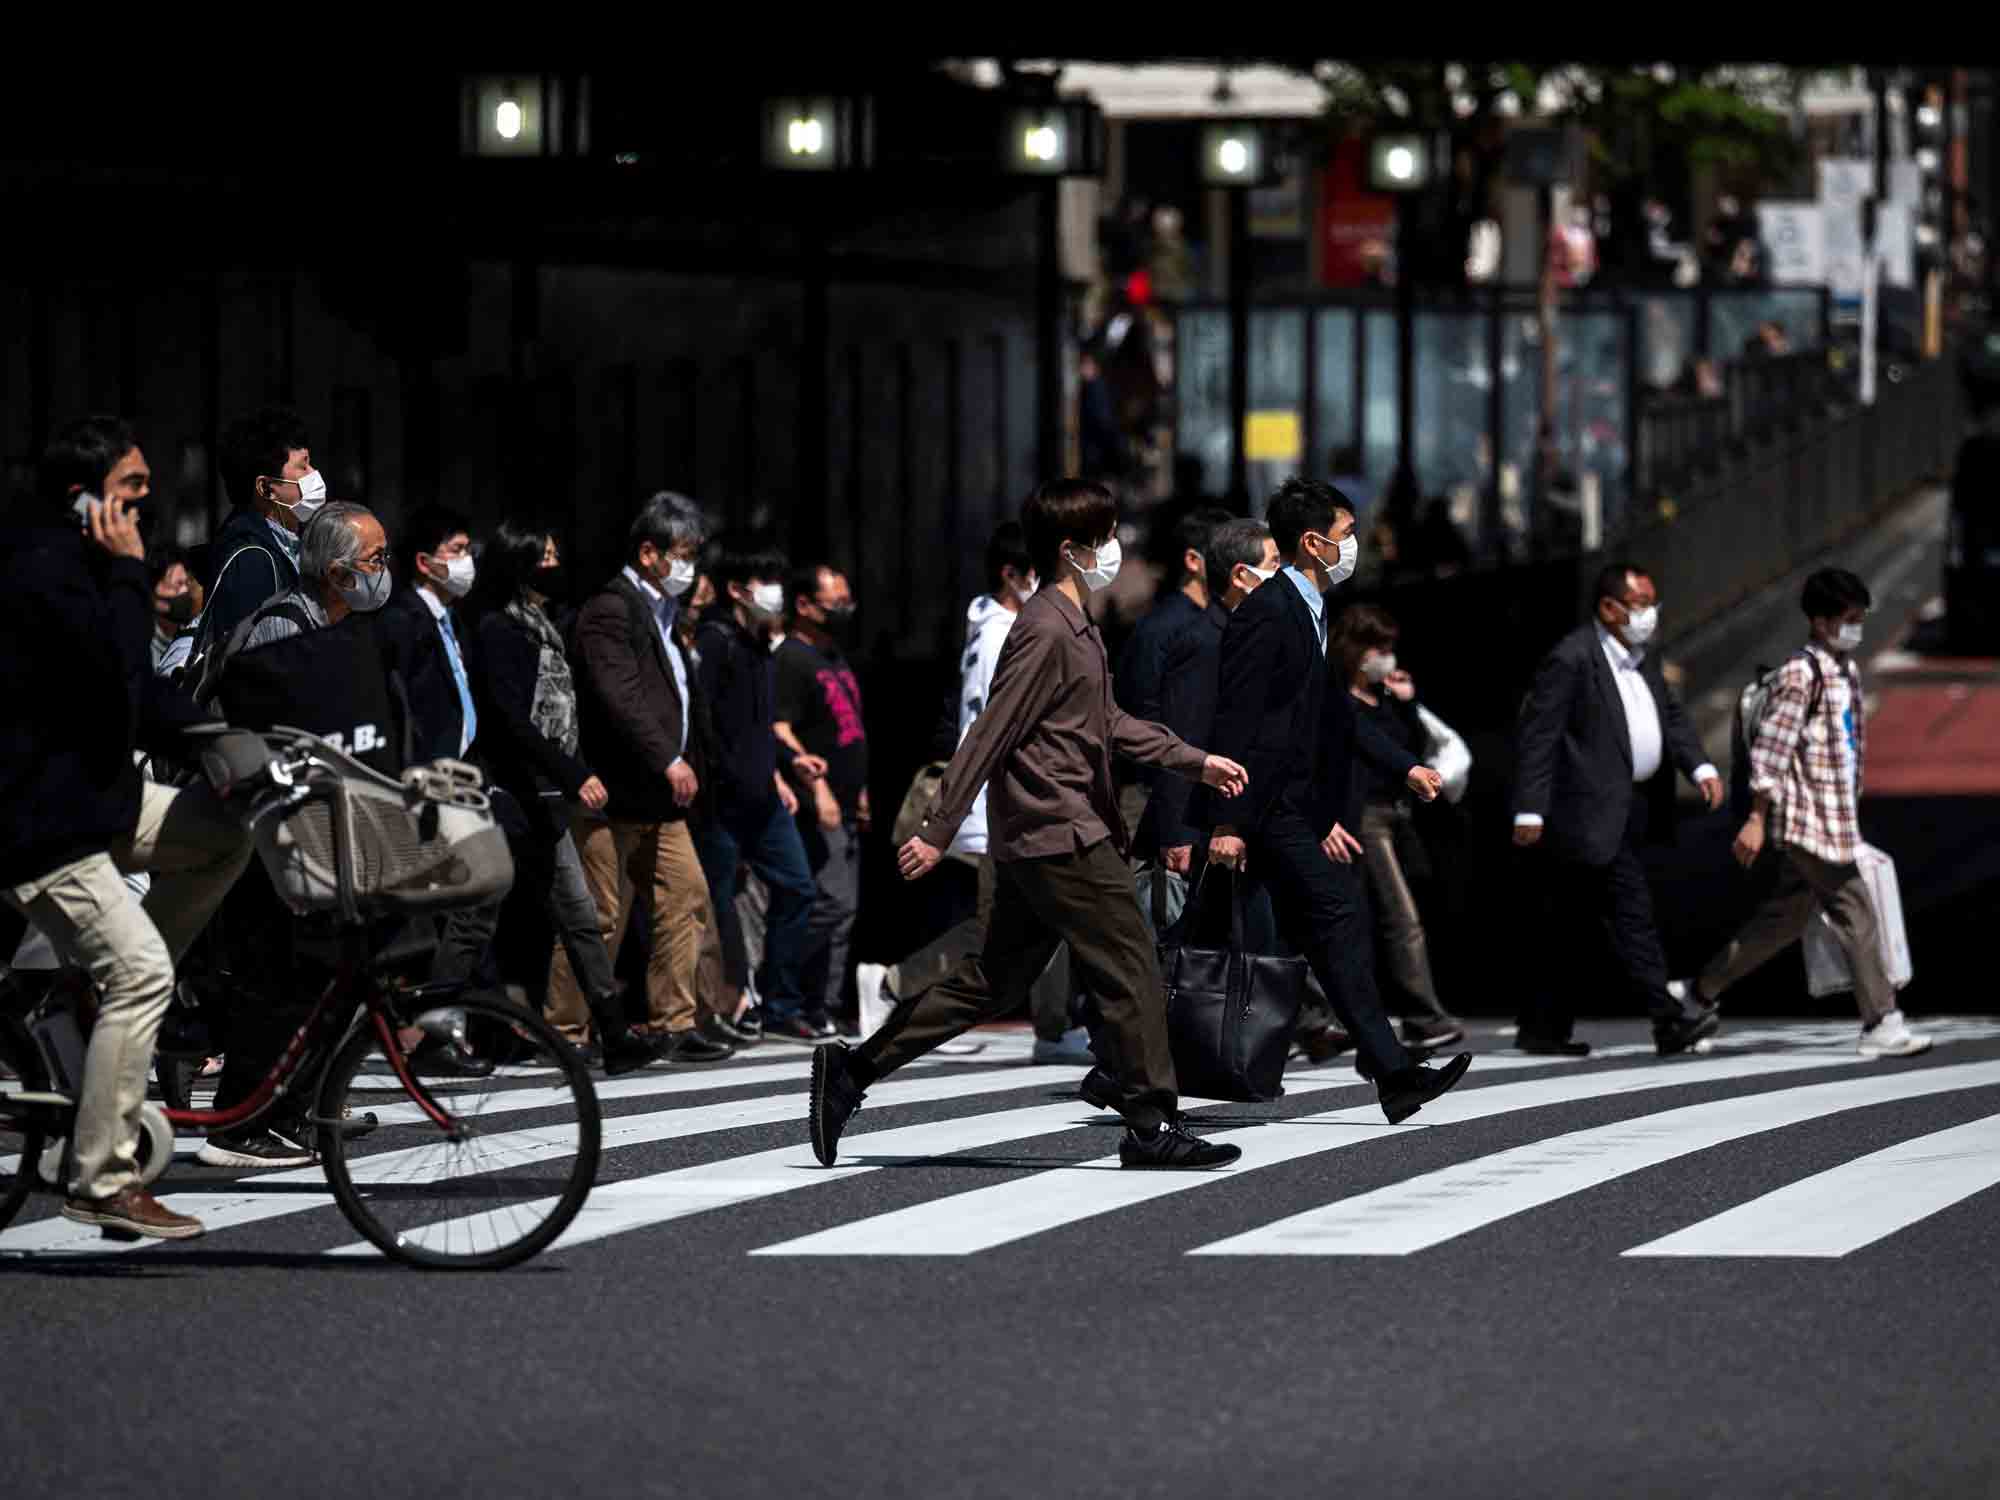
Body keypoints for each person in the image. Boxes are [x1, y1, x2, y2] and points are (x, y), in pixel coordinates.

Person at [811, 478, 1254, 1172]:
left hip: (1050, 833)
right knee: (1133, 961)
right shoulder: (1046, 628)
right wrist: (938, 827)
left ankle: (852, 1074)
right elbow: (990, 730)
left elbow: (1106, 723)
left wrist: (1193, 760)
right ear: (1072, 550)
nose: (1117, 547)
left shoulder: (1075, 623)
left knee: (993, 980)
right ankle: (1148, 1122)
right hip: (1062, 831)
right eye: (1106, 537)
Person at [0, 416, 252, 1237]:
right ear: (83, 500)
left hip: (93, 799)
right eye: (132, 489)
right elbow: (118, 681)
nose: (149, 503)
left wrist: (232, 744)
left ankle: (104, 991)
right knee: (145, 973)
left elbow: (143, 697)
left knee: (224, 833)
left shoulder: (81, 564)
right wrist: (130, 578)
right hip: (39, 822)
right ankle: (102, 1179)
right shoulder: (43, 572)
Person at [1205, 477, 1471, 1124]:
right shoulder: (1267, 612)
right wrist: (1228, 821)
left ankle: (1390, 1072)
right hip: (1266, 807)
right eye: (1348, 535)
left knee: (1284, 935)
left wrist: (1406, 766)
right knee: (1330, 918)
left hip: (1289, 806)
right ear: (1313, 543)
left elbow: (1338, 717)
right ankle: (1391, 1070)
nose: (1356, 547)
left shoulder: (1310, 610)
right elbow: (1237, 719)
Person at [200, 501, 413, 1165]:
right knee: (278, 973)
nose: (384, 571)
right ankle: (240, 1124)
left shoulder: (342, 631)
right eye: (374, 560)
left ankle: (300, 1107)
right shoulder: (279, 631)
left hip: (322, 826)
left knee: (336, 968)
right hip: (267, 829)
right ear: (337, 571)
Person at [1690, 570, 1932, 1057]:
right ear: (1819, 622)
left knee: (1782, 921)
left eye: (1861, 618)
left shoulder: (1846, 671)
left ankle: (1697, 995)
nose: (1856, 627)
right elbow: (1771, 753)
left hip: (1834, 820)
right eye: (1848, 619)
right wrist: (1757, 818)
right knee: (1855, 908)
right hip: (1807, 824)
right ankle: (1881, 1020)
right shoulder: (1801, 674)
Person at [854, 521, 1066, 1060]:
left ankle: (1050, 1024)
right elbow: (994, 727)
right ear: (1010, 574)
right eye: (1037, 572)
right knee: (1016, 924)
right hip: (1002, 798)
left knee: (1034, 917)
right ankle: (902, 989)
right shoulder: (1003, 635)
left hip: (999, 796)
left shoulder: (996, 628)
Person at [466, 521, 659, 1074]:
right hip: (509, 796)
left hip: (545, 800)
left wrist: (569, 773)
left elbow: (558, 717)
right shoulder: (498, 629)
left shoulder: (542, 629)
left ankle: (615, 1032)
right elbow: (510, 720)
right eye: (544, 555)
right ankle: (444, 1026)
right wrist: (574, 772)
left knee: (579, 916)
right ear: (519, 565)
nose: (555, 564)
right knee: (476, 920)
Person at [1512, 561, 1726, 1057]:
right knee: (1632, 916)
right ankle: (1668, 1021)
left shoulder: (1642, 656)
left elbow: (1668, 715)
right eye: (1640, 604)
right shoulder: (1571, 658)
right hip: (1583, 814)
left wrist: (1700, 767)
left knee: (1569, 922)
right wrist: (1529, 810)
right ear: (1609, 608)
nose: (1650, 614)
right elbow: (1539, 736)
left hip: (1628, 809)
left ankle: (1543, 1026)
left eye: (1652, 603)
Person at [553, 494, 732, 1066]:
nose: (690, 568)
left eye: (693, 556)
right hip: (613, 788)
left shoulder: (662, 612)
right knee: (599, 914)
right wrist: (667, 758)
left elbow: (677, 697)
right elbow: (620, 696)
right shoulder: (612, 609)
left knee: (686, 898)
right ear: (648, 551)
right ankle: (566, 1029)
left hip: (659, 796)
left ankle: (672, 1023)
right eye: (681, 555)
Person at [692, 536, 820, 1042]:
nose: (777, 593)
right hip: (721, 801)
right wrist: (724, 778)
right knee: (717, 905)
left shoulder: (762, 644)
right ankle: (726, 1003)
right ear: (737, 590)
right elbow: (706, 724)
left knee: (798, 886)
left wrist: (782, 769)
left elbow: (759, 724)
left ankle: (780, 1004)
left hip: (763, 798)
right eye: (766, 583)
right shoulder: (716, 642)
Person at [1132, 515, 1278, 934]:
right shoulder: (1205, 642)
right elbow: (1180, 738)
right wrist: (1176, 832)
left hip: (1240, 824)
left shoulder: (1246, 632)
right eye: (1272, 563)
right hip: (1204, 833)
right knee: (1223, 953)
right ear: (1239, 575)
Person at [1335, 604, 1466, 1053]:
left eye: (1390, 647)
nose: (1387, 657)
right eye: (1379, 647)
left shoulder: (1388, 700)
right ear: (1355, 649)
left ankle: (1400, 1016)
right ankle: (1424, 1016)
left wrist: (1409, 705)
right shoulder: (1340, 701)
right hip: (1364, 816)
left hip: (1399, 814)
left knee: (1384, 916)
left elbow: (1408, 747)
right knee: (1399, 918)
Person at [775, 561, 871, 1033]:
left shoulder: (833, 654)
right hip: (818, 801)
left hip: (848, 802)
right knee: (826, 901)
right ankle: (785, 995)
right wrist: (819, 790)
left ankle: (823, 1005)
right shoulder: (792, 658)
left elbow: (849, 727)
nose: (845, 610)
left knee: (845, 909)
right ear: (805, 605)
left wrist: (861, 790)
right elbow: (780, 727)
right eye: (836, 603)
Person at [1113, 505, 1234, 849]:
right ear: (1193, 561)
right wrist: (1172, 825)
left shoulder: (1219, 619)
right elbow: (1144, 717)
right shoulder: (1163, 629)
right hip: (1158, 796)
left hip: (1200, 788)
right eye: (1225, 555)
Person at [199, 407, 322, 651]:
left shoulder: (288, 544)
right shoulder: (250, 561)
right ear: (266, 488)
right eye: (303, 466)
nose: (314, 474)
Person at [149, 549, 196, 669]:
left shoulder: (192, 639)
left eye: (187, 583)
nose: (184, 591)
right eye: (178, 584)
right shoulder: (139, 643)